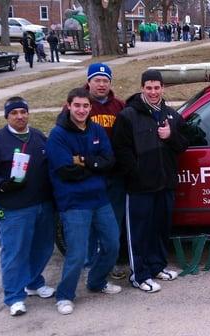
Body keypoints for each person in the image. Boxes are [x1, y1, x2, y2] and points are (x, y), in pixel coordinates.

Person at [0, 97, 55, 317]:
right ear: (7, 116)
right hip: (14, 208)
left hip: (43, 204)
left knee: (43, 247)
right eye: (14, 113)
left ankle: (34, 283)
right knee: (15, 252)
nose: (20, 116)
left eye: (23, 112)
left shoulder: (37, 136)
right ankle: (15, 296)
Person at [47, 87, 122, 315]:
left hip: (100, 198)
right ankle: (65, 295)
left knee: (112, 245)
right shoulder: (58, 135)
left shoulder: (97, 130)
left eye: (85, 106)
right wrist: (94, 165)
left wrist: (83, 161)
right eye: (77, 105)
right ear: (68, 105)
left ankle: (97, 282)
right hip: (74, 203)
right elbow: (66, 171)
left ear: (90, 108)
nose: (81, 110)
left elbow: (109, 161)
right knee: (77, 254)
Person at [112, 69, 188, 293]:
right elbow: (121, 150)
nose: (153, 92)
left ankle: (157, 267)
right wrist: (136, 173)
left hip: (165, 184)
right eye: (149, 88)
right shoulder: (128, 115)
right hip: (140, 188)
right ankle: (139, 275)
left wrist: (170, 136)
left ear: (163, 88)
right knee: (139, 232)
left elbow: (183, 144)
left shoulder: (171, 115)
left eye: (157, 87)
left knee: (160, 229)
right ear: (142, 88)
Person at [84, 63, 127, 279]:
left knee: (114, 221)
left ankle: (114, 260)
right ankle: (91, 261)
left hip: (115, 175)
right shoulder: (80, 105)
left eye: (105, 80)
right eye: (97, 80)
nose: (101, 84)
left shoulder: (119, 106)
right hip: (89, 176)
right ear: (89, 82)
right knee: (90, 221)